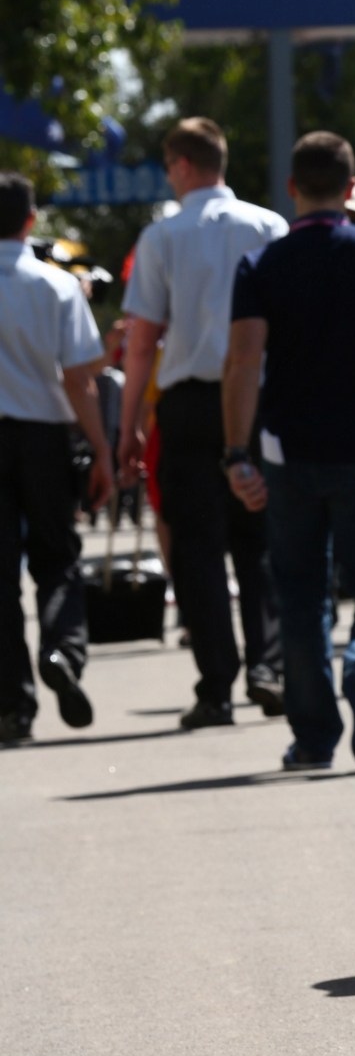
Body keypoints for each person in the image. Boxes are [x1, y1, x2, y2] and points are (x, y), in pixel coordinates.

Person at [222, 133, 355, 773]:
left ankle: (312, 736)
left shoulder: (263, 265)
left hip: (289, 451)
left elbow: (244, 362)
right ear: (351, 182)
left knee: (299, 591)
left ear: (292, 188)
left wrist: (235, 453)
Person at [119, 118, 287, 730]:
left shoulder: (162, 237)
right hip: (258, 398)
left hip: (190, 404)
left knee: (197, 547)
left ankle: (216, 686)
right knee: (260, 540)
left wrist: (131, 420)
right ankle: (269, 668)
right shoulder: (269, 225)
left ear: (182, 165)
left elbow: (141, 342)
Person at [0, 173, 114, 744]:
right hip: (44, 437)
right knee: (57, 557)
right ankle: (63, 649)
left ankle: (11, 707)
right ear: (31, 219)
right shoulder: (57, 285)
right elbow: (78, 380)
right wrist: (100, 450)